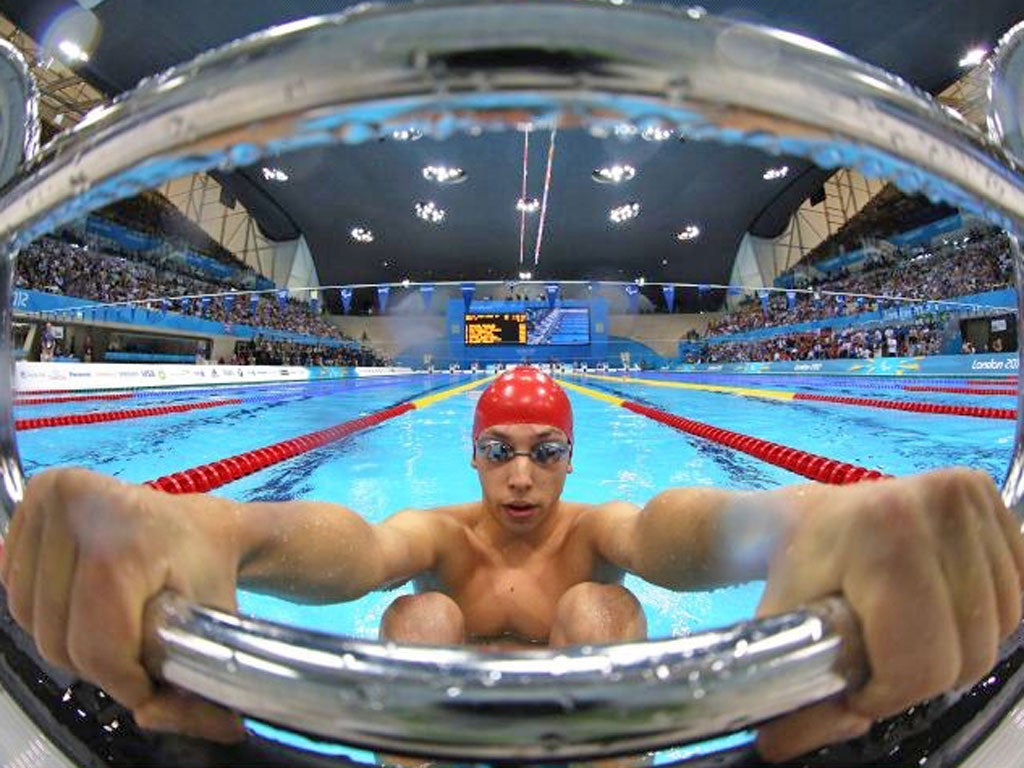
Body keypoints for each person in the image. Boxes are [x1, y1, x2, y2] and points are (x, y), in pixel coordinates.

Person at [1, 366, 1023, 763]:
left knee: (596, 608)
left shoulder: (597, 529)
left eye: (544, 453)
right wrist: (218, 533)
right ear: (470, 454)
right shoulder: (444, 535)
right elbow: (358, 551)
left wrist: (810, 518)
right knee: (421, 620)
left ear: (572, 458)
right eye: (499, 452)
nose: (522, 476)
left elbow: (680, 528)